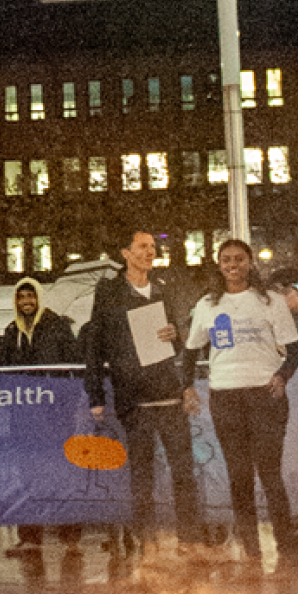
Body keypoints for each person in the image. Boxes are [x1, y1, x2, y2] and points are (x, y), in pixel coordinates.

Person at [181, 239, 298, 564]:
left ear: (250, 262)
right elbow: (191, 352)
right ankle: (251, 547)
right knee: (238, 474)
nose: (233, 265)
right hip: (226, 396)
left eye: (239, 259)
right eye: (226, 260)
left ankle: (285, 542)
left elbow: (296, 350)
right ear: (218, 264)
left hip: (264, 395)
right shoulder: (208, 305)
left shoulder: (271, 302)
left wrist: (282, 377)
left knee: (269, 472)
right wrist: (187, 387)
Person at [84, 230, 204, 559]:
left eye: (153, 247)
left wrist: (176, 336)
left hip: (167, 392)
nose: (149, 252)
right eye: (142, 247)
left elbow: (179, 341)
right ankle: (146, 540)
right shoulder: (109, 292)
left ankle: (189, 539)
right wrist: (95, 394)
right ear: (125, 253)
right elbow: (95, 344)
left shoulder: (162, 291)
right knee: (142, 472)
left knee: (183, 470)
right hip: (133, 397)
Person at [0, 277, 82, 556]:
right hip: (25, 418)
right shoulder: (12, 332)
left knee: (62, 471)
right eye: (21, 297)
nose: (26, 303)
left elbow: (75, 365)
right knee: (28, 474)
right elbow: (6, 376)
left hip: (56, 415)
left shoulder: (58, 326)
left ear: (39, 298)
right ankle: (30, 536)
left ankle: (70, 533)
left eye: (30, 297)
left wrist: (68, 402)